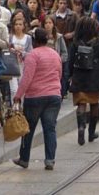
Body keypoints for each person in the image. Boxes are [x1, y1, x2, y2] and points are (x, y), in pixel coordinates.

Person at [12, 28, 63, 171]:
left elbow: (27, 78)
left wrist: (18, 96)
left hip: (35, 98)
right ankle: (50, 160)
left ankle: (24, 159)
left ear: (34, 41)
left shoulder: (33, 56)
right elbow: (59, 73)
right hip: (54, 96)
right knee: (50, 128)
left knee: (28, 129)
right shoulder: (55, 54)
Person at [68, 17, 99, 145]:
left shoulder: (75, 43)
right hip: (95, 77)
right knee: (94, 104)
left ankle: (81, 127)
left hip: (79, 77)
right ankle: (91, 133)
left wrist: (70, 75)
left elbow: (70, 62)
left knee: (81, 103)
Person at [42, 15, 69, 96]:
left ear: (53, 24)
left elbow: (64, 53)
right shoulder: (40, 36)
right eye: (46, 23)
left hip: (55, 64)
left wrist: (59, 60)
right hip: (43, 63)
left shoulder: (59, 37)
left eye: (50, 23)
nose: (48, 25)